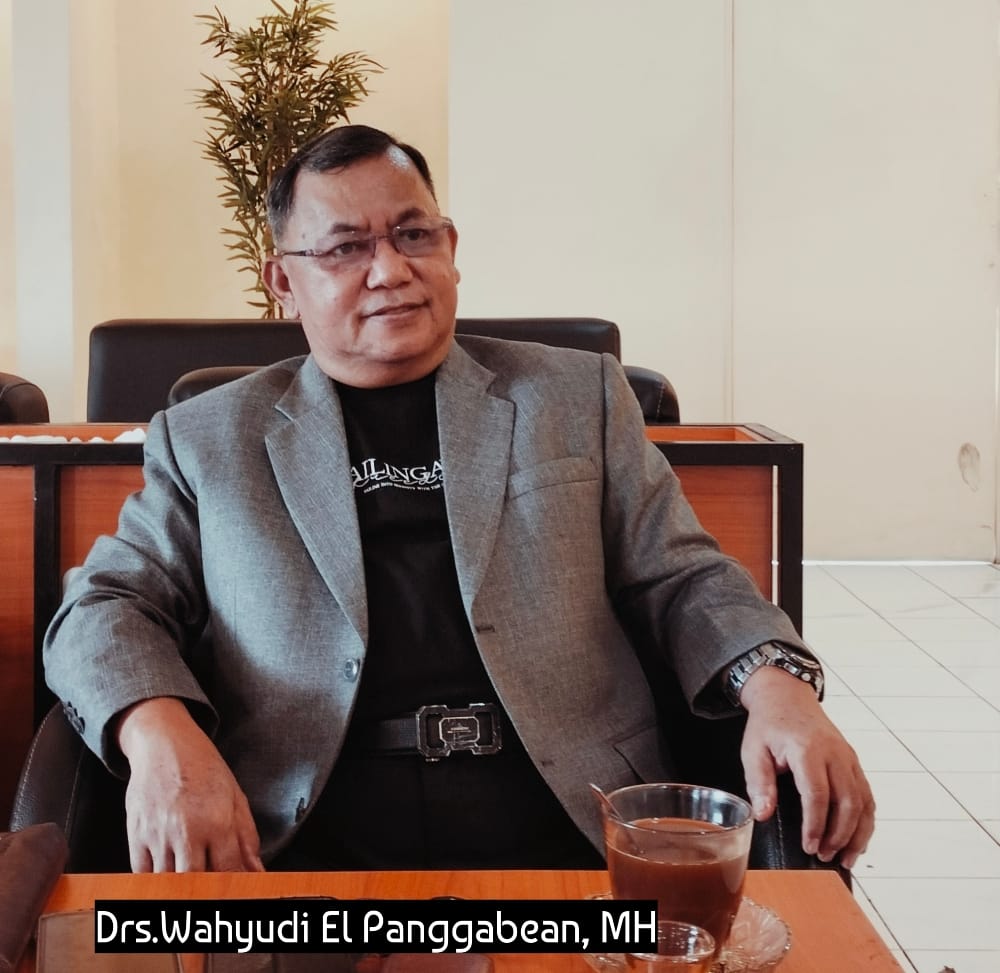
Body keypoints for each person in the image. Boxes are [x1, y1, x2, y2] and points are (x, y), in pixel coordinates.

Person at [44, 124, 874, 875]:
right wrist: (157, 728)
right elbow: (101, 605)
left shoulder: (574, 395)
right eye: (345, 248)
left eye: (414, 234)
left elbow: (682, 575)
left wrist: (778, 682)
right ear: (283, 282)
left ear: (450, 246)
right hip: (307, 840)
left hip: (565, 818)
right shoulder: (209, 437)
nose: (390, 270)